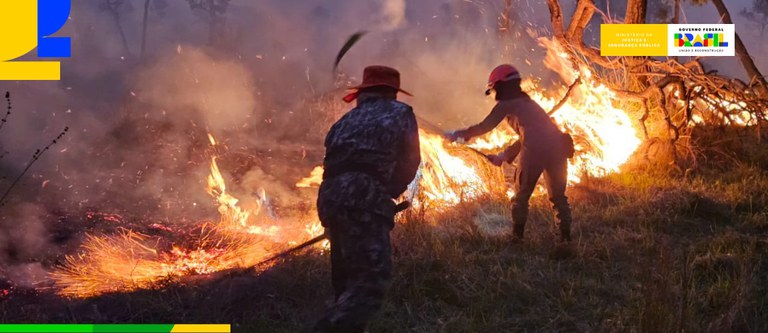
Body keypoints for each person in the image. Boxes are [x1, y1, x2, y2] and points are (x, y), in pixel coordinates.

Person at [314, 65, 421, 333]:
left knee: (345, 279)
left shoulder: (345, 121)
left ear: (364, 93)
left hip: (329, 196)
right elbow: (411, 160)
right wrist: (385, 193)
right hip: (364, 196)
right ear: (392, 93)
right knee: (371, 282)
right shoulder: (401, 113)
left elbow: (331, 161)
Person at [446, 64, 573, 243]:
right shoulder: (528, 103)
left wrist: (458, 134)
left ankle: (517, 238)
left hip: (535, 152)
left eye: (494, 89)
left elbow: (486, 126)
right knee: (558, 197)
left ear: (500, 86)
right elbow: (530, 135)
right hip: (557, 149)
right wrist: (503, 156)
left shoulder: (508, 103)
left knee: (520, 197)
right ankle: (565, 238)